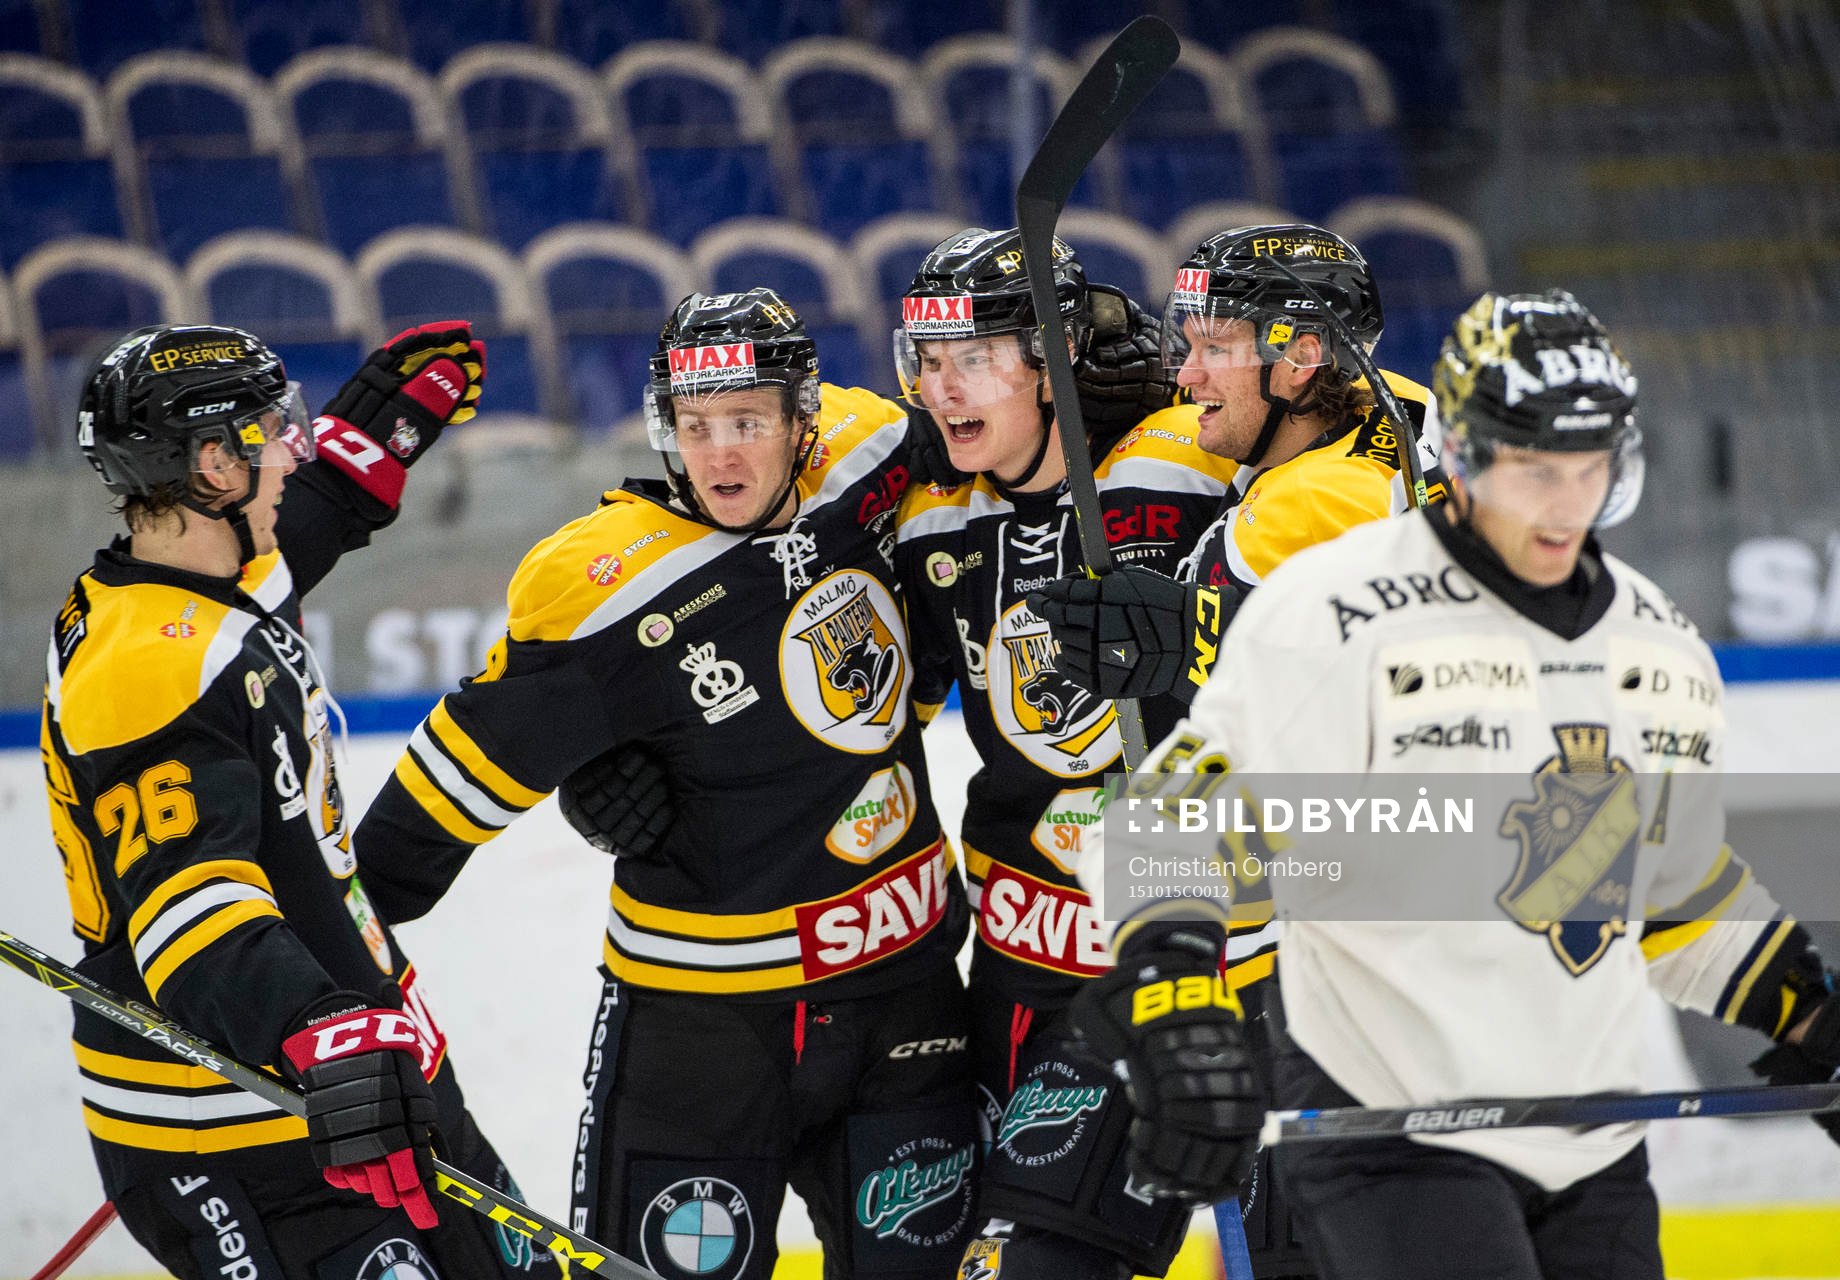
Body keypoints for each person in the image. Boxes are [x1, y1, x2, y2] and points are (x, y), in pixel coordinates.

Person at [1071, 290, 1840, 1278]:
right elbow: (1163, 825)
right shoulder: (1335, 608)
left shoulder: (1659, 648)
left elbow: (1667, 891)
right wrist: (1173, 1000)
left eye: (1588, 467)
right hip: (1392, 1130)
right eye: (1533, 468)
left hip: (1592, 1139)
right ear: (1468, 456)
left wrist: (1810, 1013)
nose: (1564, 503)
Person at [349, 289, 981, 1280]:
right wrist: (289, 980)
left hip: (906, 999)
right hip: (700, 1036)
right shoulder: (598, 588)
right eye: (696, 425)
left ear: (802, 420)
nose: (720, 454)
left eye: (747, 422)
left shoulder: (872, 450)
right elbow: (410, 835)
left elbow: (1013, 467)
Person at [38, 322, 558, 1278]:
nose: (296, 449)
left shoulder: (202, 584)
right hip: (248, 1126)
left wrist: (371, 448)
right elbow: (192, 910)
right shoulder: (144, 668)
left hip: (365, 1077)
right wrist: (319, 1028)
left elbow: (297, 537)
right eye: (274, 432)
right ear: (212, 465)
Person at [1028, 223, 1446, 1276]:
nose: (1185, 374)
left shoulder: (1300, 510)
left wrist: (1188, 631)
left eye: (1213, 348)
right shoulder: (1408, 412)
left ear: (1299, 357)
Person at [885, 226, 1240, 1279]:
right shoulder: (930, 518)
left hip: (1171, 954)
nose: (943, 387)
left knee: (1039, 1259)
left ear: (1054, 358)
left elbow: (1386, 438)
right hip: (1010, 966)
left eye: (975, 357)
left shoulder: (1190, 462)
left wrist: (1176, 368)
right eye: (927, 359)